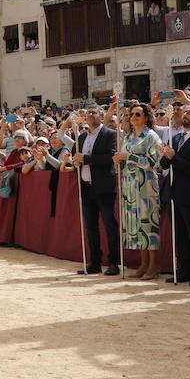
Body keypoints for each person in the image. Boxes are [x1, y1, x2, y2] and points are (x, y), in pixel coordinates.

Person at [115, 103, 162, 280]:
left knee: (148, 225)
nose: (133, 117)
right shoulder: (128, 137)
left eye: (137, 115)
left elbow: (152, 162)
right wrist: (119, 159)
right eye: (132, 115)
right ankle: (143, 264)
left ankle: (154, 265)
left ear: (146, 117)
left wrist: (129, 157)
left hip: (146, 186)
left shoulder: (151, 136)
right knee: (137, 225)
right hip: (130, 185)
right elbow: (124, 156)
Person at [73, 107, 121, 277]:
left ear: (102, 116)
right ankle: (95, 262)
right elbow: (76, 158)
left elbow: (111, 158)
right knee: (91, 226)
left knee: (110, 225)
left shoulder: (110, 134)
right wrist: (76, 163)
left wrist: (85, 159)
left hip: (104, 187)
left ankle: (115, 262)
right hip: (86, 186)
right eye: (88, 114)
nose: (90, 116)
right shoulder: (82, 137)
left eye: (93, 113)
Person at [160, 105, 190, 285]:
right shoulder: (175, 136)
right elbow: (164, 164)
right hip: (173, 191)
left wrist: (173, 157)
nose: (185, 115)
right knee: (179, 234)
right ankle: (184, 269)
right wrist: (166, 154)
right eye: (184, 112)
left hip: (189, 191)